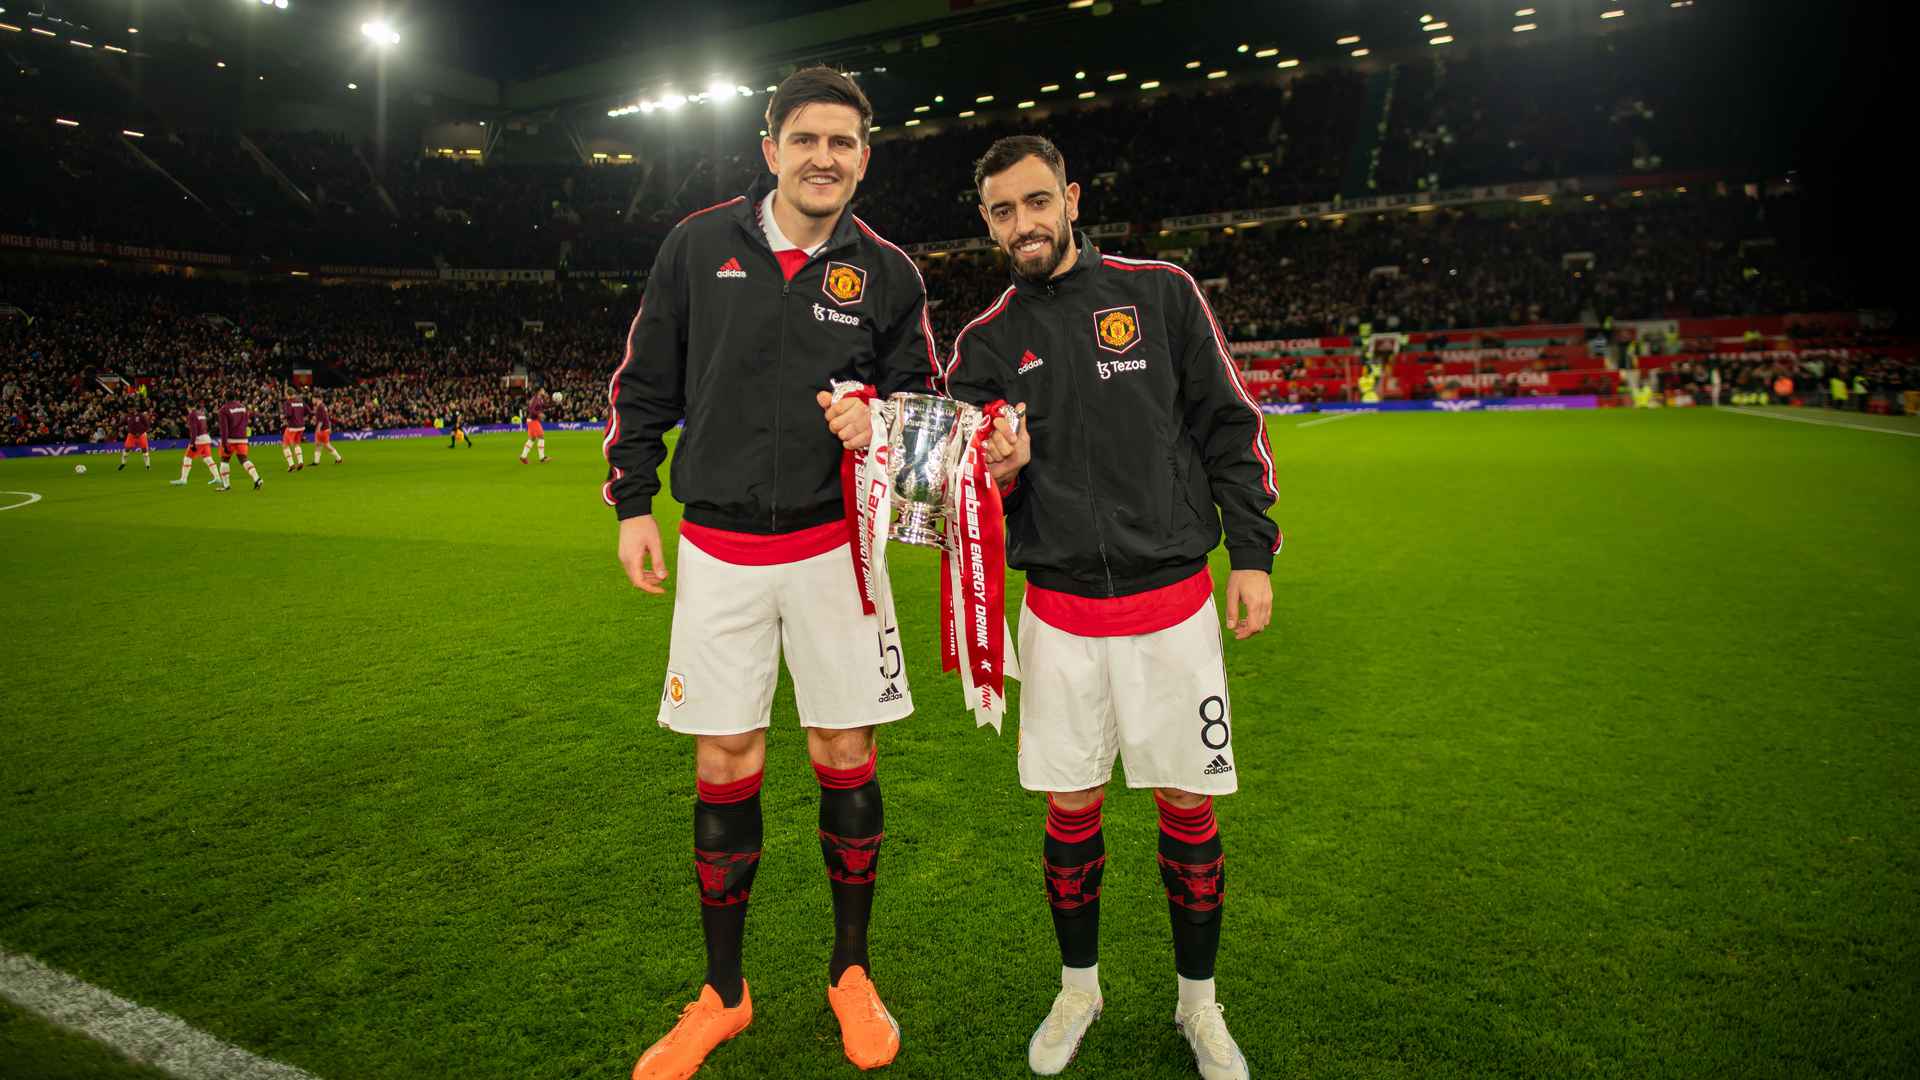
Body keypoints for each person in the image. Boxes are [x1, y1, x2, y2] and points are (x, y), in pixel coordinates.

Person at [605, 65, 940, 1080]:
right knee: (724, 763)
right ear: (771, 149)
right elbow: (646, 380)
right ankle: (723, 993)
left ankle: (850, 972)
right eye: (807, 140)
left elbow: (923, 416)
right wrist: (631, 502)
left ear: (865, 156)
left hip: (839, 551)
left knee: (845, 751)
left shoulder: (890, 274)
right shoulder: (699, 245)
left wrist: (879, 425)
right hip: (718, 548)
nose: (825, 158)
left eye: (844, 142)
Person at [941, 136, 1278, 1080]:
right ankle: (1079, 987)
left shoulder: (1161, 293)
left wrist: (1250, 552)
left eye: (1038, 202)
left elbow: (1228, 423)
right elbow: (966, 505)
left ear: (1073, 198)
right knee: (1071, 806)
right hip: (1058, 617)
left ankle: (1198, 1008)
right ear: (987, 222)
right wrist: (996, 477)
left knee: (1186, 804)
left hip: (1173, 608)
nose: (1024, 224)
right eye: (1004, 212)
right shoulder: (985, 345)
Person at [216, 397, 263, 491]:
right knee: (243, 459)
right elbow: (246, 421)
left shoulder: (223, 409)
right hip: (242, 438)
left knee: (224, 460)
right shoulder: (242, 407)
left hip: (230, 438)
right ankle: (257, 478)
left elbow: (224, 428)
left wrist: (224, 444)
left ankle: (226, 485)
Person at [169, 403, 222, 487]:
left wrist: (192, 443)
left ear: (188, 407)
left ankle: (183, 479)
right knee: (208, 459)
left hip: (199, 440)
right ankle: (217, 477)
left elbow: (194, 430)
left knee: (187, 458)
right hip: (206, 438)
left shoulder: (192, 415)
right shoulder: (201, 413)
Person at [310, 392, 343, 465]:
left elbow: (321, 420)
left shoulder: (320, 407)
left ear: (316, 399)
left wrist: (317, 429)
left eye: (313, 399)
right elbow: (325, 418)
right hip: (325, 428)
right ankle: (316, 462)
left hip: (323, 429)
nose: (312, 400)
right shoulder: (322, 406)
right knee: (319, 445)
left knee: (326, 445)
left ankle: (339, 458)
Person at [281, 389, 310, 472]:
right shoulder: (301, 401)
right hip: (301, 426)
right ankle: (300, 461)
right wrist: (301, 416)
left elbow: (289, 414)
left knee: (285, 445)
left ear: (288, 394)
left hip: (292, 427)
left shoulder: (288, 402)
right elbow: (308, 411)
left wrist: (283, 417)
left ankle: (291, 465)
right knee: (297, 444)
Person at [118, 405, 152, 471]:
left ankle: (147, 466)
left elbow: (147, 425)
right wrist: (115, 426)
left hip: (141, 435)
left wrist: (141, 432)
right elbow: (121, 423)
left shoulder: (141, 416)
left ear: (135, 408)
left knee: (144, 450)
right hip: (131, 435)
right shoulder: (127, 416)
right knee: (127, 449)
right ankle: (123, 463)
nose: (130, 410)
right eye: (129, 408)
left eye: (131, 408)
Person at [519, 389, 548, 463]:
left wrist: (554, 403)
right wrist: (539, 414)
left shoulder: (539, 399)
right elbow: (531, 410)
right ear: (539, 391)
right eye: (543, 390)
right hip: (533, 421)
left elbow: (545, 406)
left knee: (532, 439)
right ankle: (542, 458)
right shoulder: (535, 399)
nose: (544, 391)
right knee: (541, 436)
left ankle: (523, 456)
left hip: (532, 420)